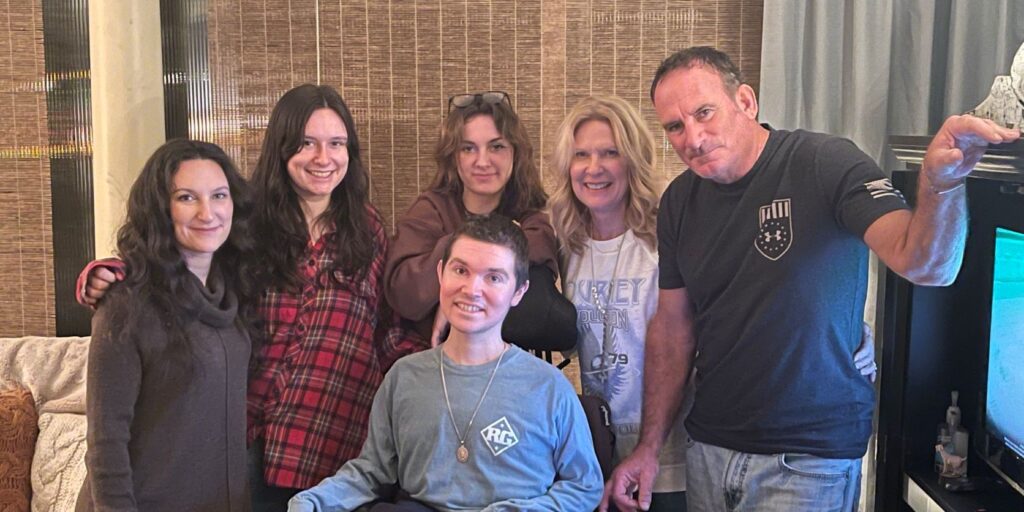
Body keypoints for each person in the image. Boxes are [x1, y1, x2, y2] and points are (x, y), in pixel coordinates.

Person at [603, 46, 1019, 512]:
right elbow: (673, 329)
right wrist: (647, 448)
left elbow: (927, 265)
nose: (693, 138)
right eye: (675, 127)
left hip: (807, 460)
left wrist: (942, 183)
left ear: (745, 101)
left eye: (704, 113)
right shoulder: (680, 201)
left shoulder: (824, 163)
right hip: (710, 448)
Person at [77, 84, 427, 509]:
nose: (324, 158)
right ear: (282, 149)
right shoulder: (245, 220)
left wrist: (448, 349)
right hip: (242, 441)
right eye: (306, 144)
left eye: (337, 143)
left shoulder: (367, 230)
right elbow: (179, 268)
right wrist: (110, 273)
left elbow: (388, 328)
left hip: (332, 440)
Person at [551, 95, 880, 512]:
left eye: (610, 153)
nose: (594, 168)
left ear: (633, 159)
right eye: (581, 155)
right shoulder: (567, 246)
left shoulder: (667, 232)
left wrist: (852, 334)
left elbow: (752, 294)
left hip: (678, 454)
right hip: (601, 452)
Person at [288, 215, 603, 512]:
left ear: (518, 292)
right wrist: (314, 501)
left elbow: (584, 486)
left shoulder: (548, 387)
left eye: (493, 277)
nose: (472, 289)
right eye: (461, 270)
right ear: (441, 274)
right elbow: (372, 470)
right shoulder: (403, 377)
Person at [77, 139, 257, 511]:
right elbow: (106, 442)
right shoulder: (126, 305)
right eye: (187, 198)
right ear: (161, 209)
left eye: (219, 196)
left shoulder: (234, 296)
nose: (208, 213)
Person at [383, 91, 572, 348]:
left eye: (496, 147)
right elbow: (404, 293)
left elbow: (539, 304)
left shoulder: (533, 214)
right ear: (454, 157)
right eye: (468, 148)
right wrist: (455, 298)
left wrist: (458, 306)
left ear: (515, 153)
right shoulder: (431, 209)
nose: (482, 161)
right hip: (433, 363)